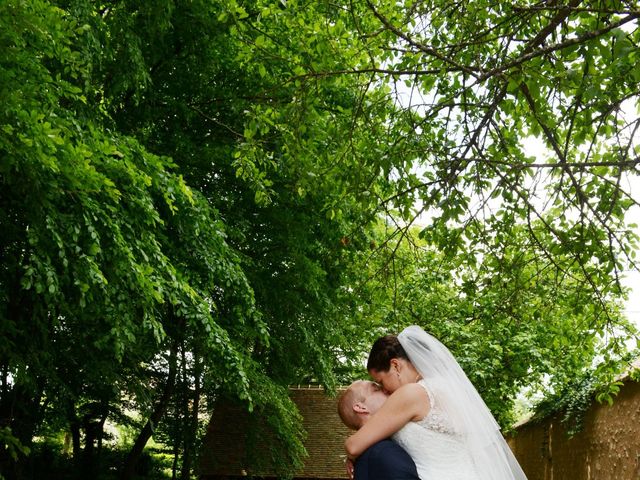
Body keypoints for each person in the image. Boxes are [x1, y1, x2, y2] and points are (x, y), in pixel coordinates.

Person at [344, 325, 528, 480]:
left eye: (382, 382)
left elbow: (353, 445)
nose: (384, 390)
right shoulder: (446, 389)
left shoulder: (411, 393)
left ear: (395, 365)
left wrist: (352, 456)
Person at [338, 380, 420, 480]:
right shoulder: (385, 453)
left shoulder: (366, 454)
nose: (386, 389)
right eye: (376, 389)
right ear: (361, 407)